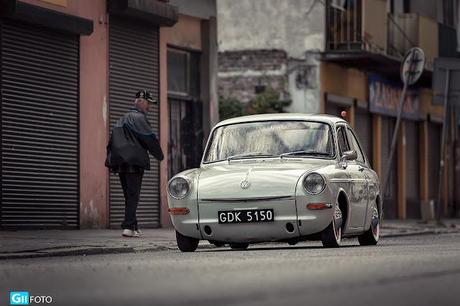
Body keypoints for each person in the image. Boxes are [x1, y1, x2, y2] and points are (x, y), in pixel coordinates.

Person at [105, 90, 164, 237]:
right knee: (133, 195)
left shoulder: (121, 119)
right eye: (148, 103)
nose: (149, 107)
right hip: (134, 162)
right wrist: (160, 155)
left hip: (120, 163)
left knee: (129, 194)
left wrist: (111, 161)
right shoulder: (139, 118)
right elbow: (149, 139)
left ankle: (134, 226)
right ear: (141, 101)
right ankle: (128, 227)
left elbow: (111, 142)